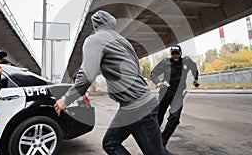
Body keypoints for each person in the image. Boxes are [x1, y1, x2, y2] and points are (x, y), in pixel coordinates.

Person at [54, 10, 172, 155]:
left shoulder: (94, 40)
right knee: (110, 143)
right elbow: (136, 68)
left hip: (138, 107)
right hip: (132, 106)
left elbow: (86, 76)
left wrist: (65, 100)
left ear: (95, 25)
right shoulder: (123, 41)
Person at [150, 44, 199, 146]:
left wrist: (196, 79)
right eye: (173, 54)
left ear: (181, 53)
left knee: (175, 118)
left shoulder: (186, 61)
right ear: (171, 54)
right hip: (165, 93)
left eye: (177, 53)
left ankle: (162, 141)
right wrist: (158, 83)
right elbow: (153, 73)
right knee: (159, 117)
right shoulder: (165, 62)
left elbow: (194, 68)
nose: (175, 56)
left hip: (178, 94)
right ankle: (152, 138)